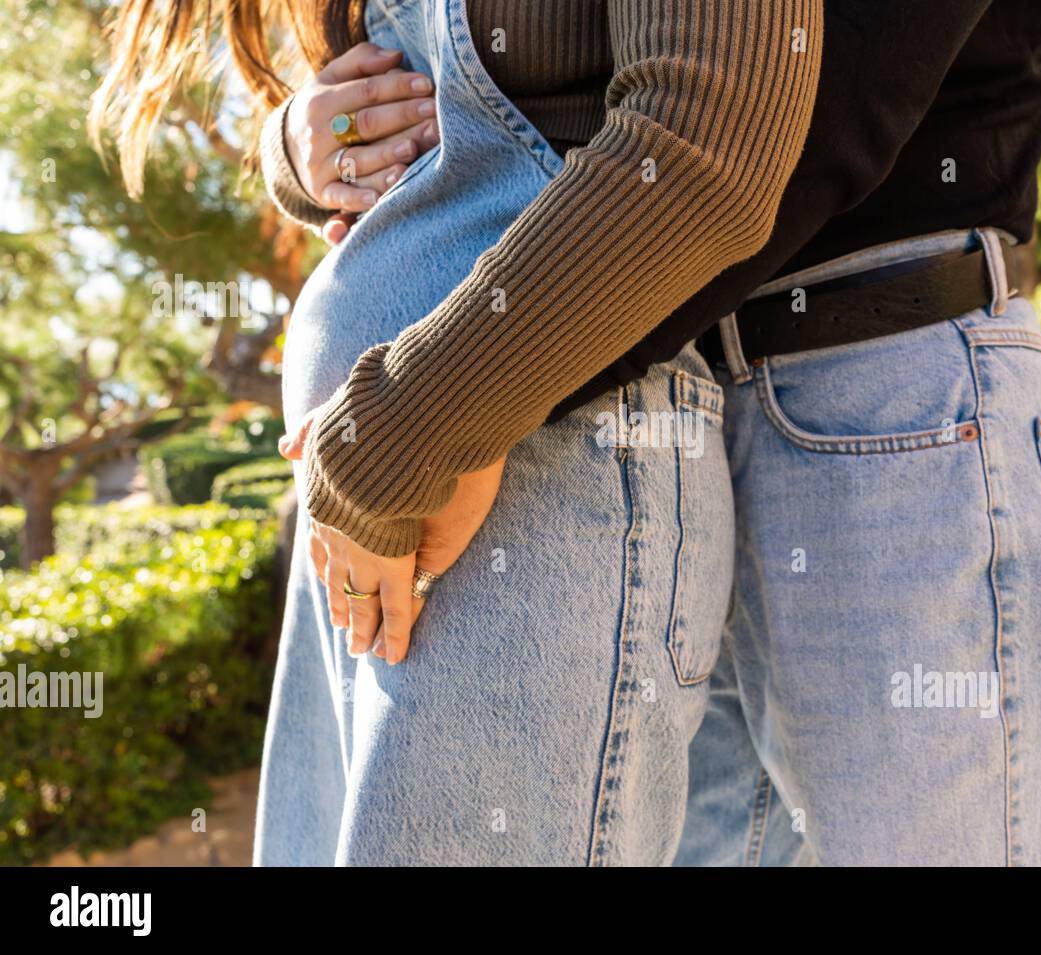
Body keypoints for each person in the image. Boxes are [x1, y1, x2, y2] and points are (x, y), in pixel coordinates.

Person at [266, 0, 1041, 866]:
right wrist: (302, 149)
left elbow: (731, 134)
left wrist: (456, 408)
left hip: (876, 386)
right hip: (645, 390)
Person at [94, 0, 821, 865]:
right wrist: (295, 148)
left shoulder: (415, 445)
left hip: (527, 478)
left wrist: (410, 434)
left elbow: (710, 146)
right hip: (377, 513)